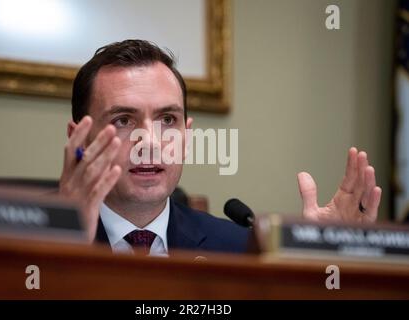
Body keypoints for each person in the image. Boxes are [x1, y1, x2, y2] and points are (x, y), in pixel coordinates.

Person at [59, 39, 382, 256]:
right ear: (80, 139)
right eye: (124, 120)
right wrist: (65, 245)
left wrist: (325, 265)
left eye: (167, 119)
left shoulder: (241, 249)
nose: (151, 141)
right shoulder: (23, 241)